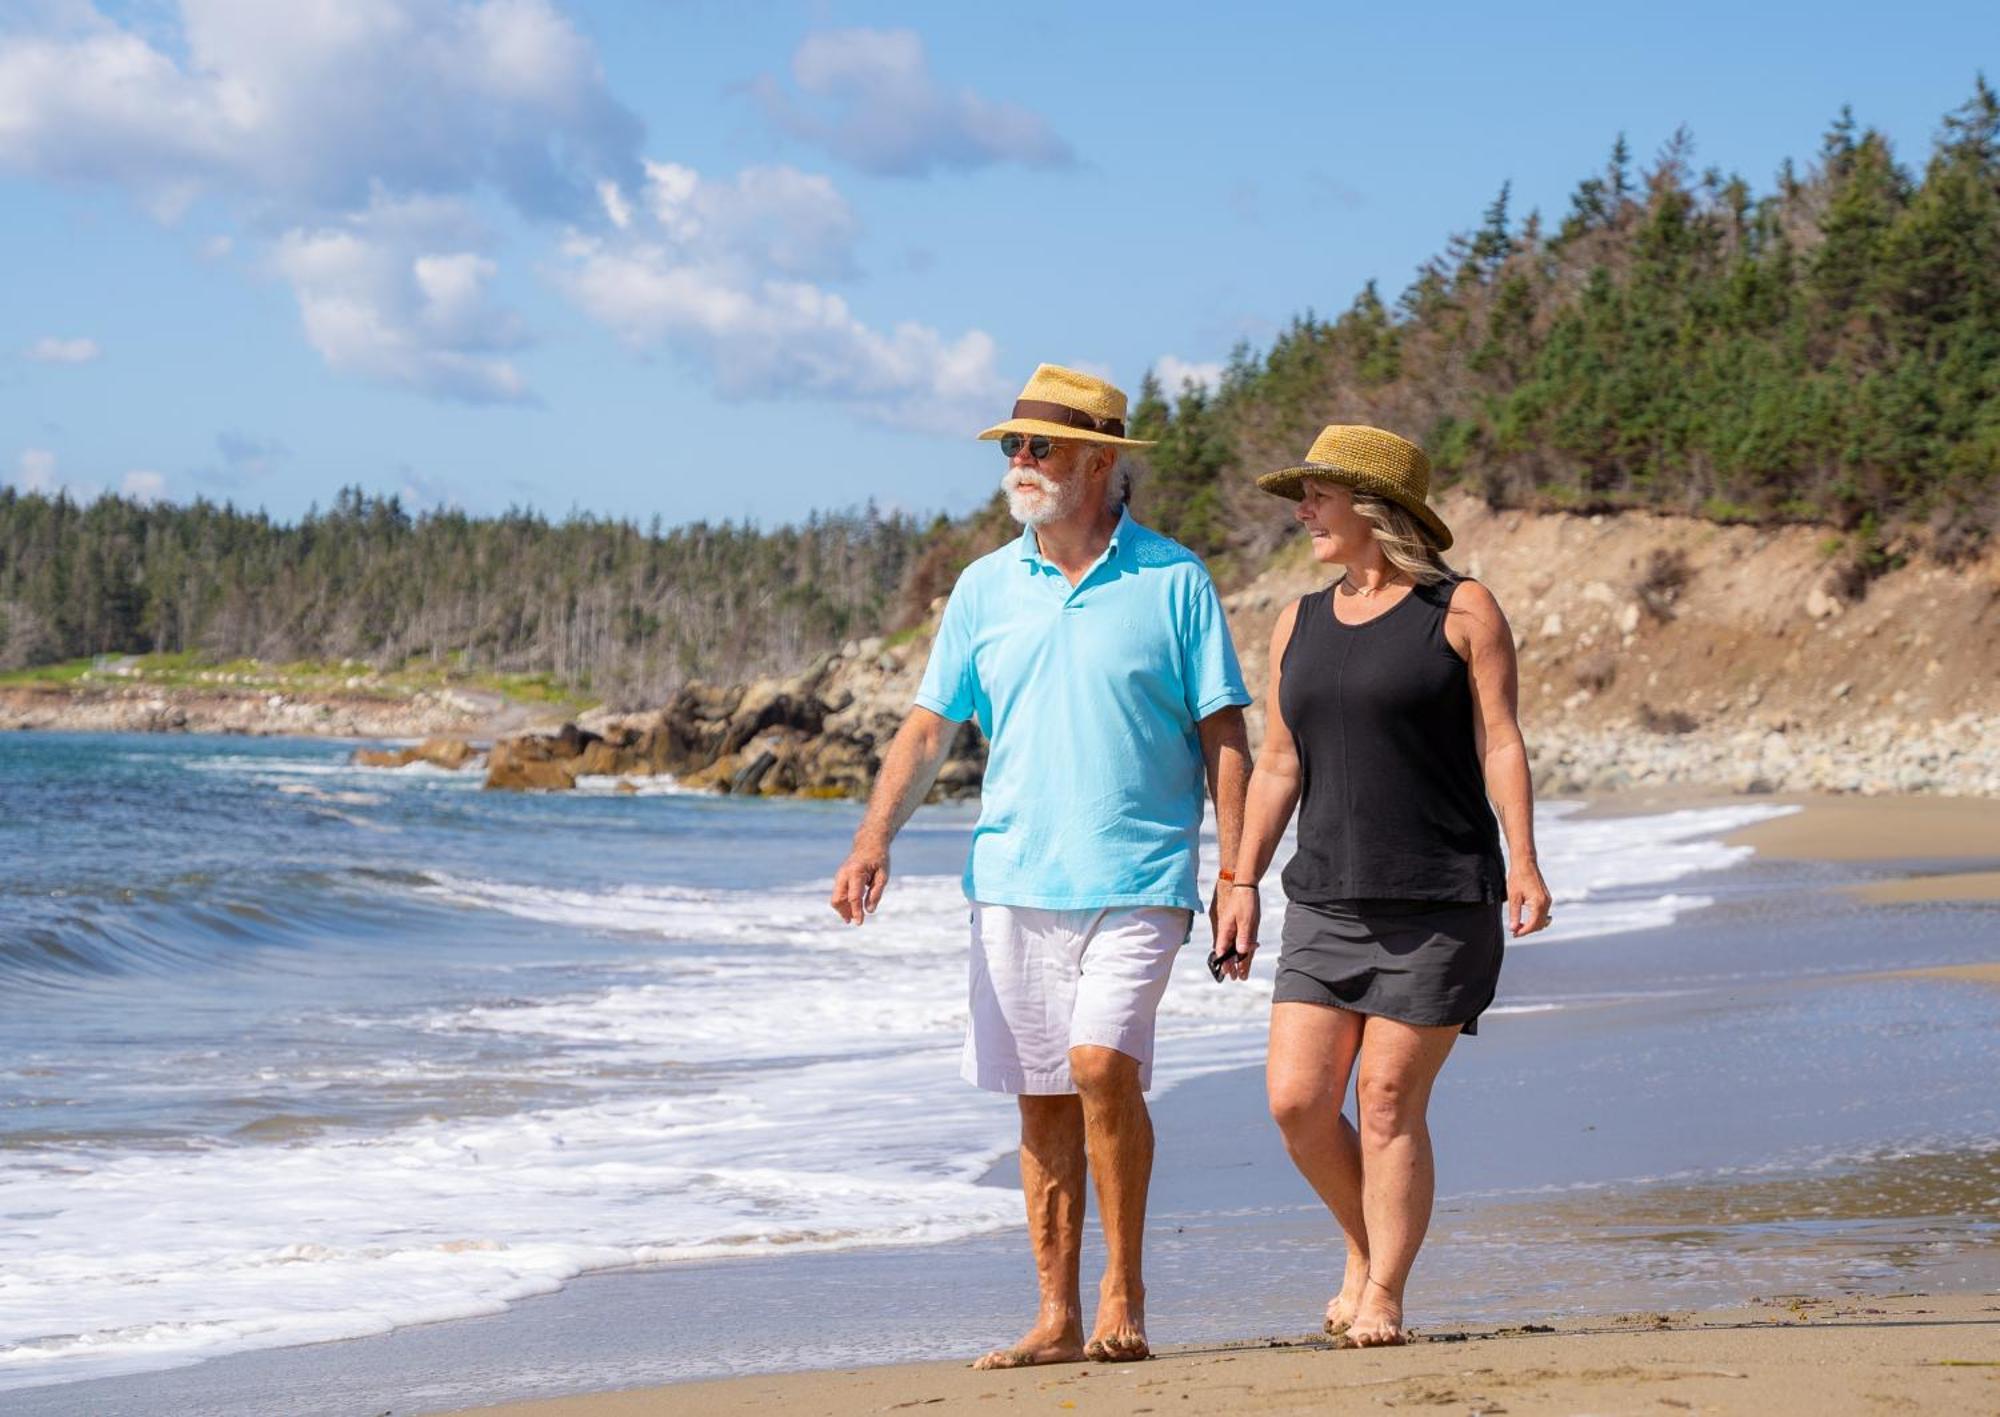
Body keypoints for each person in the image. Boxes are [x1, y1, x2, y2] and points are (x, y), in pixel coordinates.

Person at [831, 363, 1252, 1367]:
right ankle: (1056, 1315)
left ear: (1101, 461)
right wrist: (871, 837)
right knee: (1041, 1095)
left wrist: (1237, 873)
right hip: (1010, 878)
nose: (1019, 462)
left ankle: (1123, 1287)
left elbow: (1224, 735)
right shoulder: (984, 587)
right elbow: (929, 724)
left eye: (1039, 446)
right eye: (1012, 445)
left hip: (1140, 874)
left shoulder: (1172, 580)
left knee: (1101, 1061)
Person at [1212, 424, 1552, 1348]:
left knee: (1391, 1097)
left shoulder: (1462, 608)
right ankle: (1366, 1246)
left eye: (1319, 494)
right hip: (1324, 899)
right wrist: (1239, 874)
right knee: (1296, 1100)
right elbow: (1279, 760)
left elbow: (1501, 739)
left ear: (1374, 507)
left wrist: (1522, 856)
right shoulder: (1299, 621)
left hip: (1440, 899)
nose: (1303, 510)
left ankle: (1386, 1289)